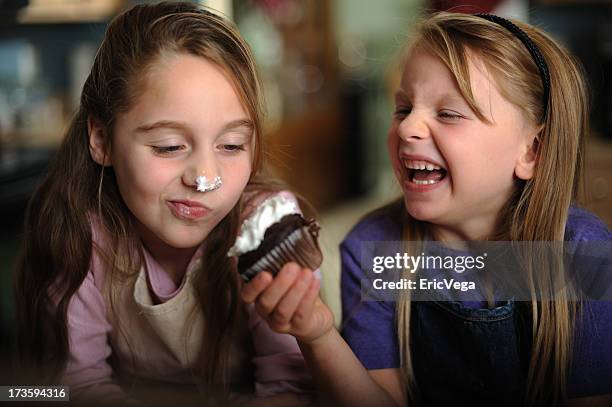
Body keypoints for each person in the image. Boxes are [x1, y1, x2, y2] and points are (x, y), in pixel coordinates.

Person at [241, 12, 612, 406]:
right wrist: (317, 334)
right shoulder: (375, 251)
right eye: (403, 109)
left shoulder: (581, 253)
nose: (407, 128)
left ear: (532, 151)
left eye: (449, 113)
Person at [14, 2, 315, 405]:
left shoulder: (267, 228)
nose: (205, 178)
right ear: (102, 141)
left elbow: (292, 387)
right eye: (169, 147)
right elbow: (76, 386)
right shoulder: (80, 238)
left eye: (231, 145)